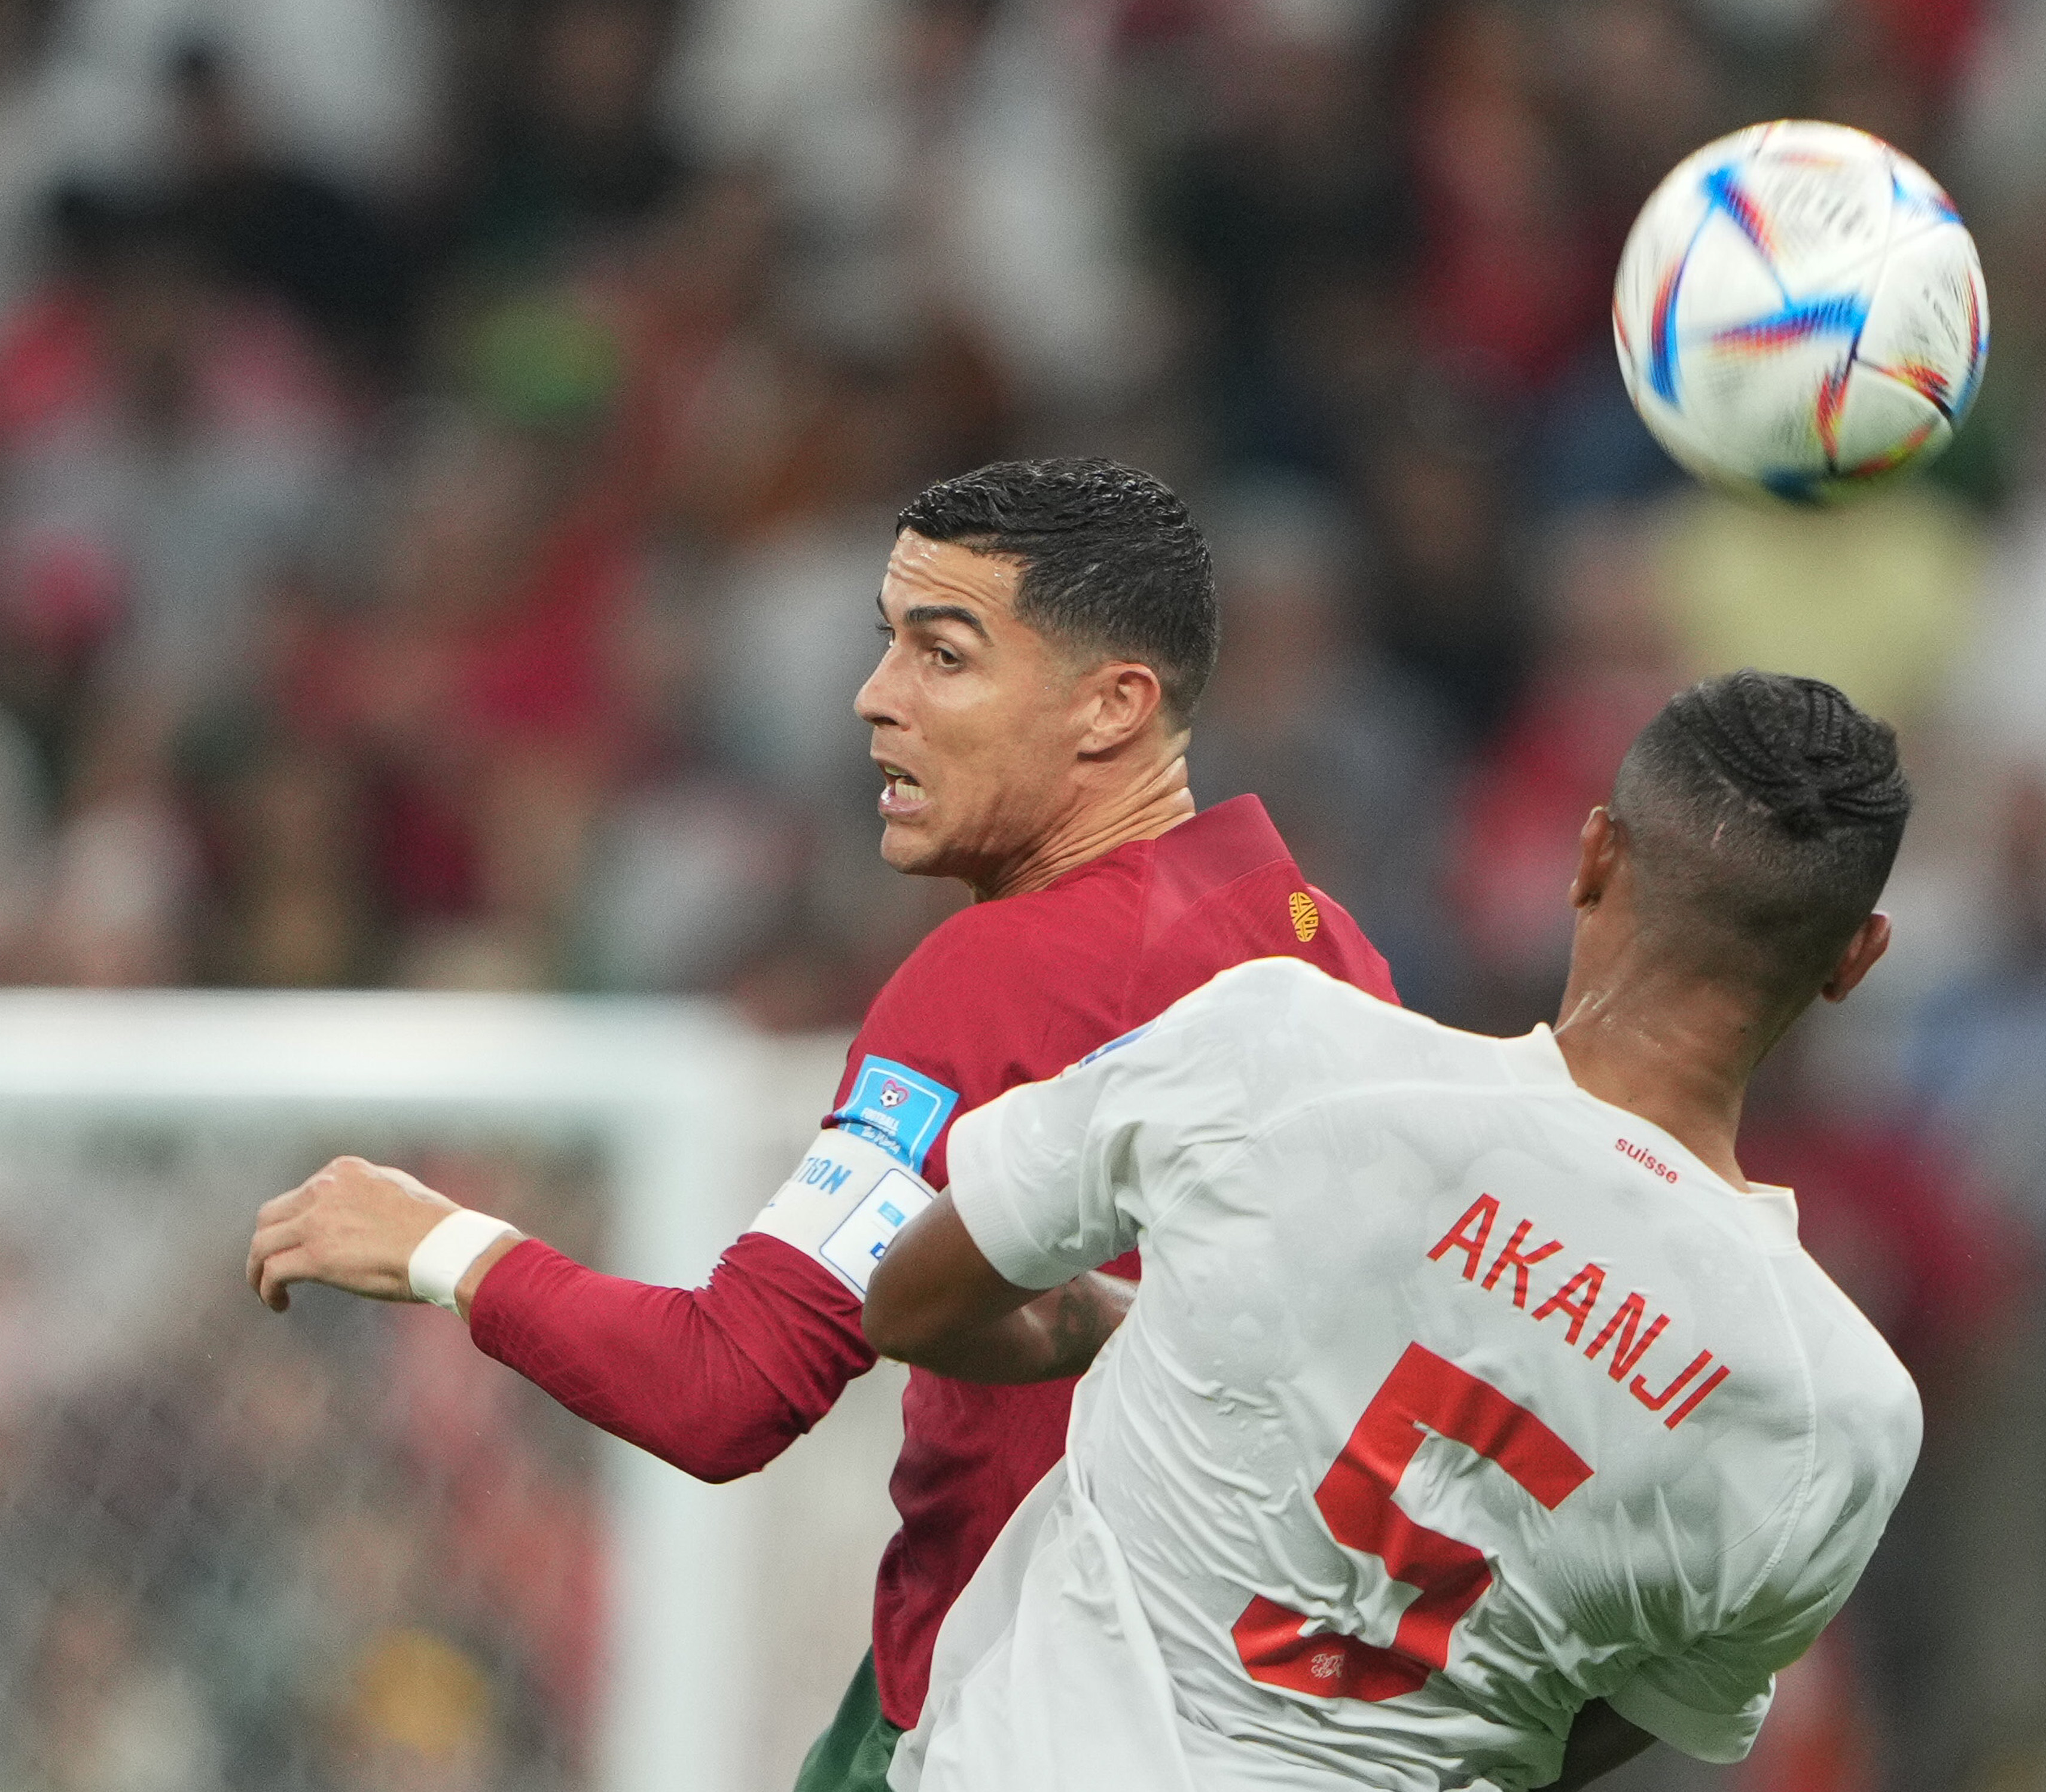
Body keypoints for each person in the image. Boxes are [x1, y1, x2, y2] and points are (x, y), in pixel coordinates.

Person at [242, 457, 1399, 1791]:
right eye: (886, 643)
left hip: (1007, 1721)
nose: (875, 697)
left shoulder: (1000, 980)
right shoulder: (1327, 947)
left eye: (943, 655)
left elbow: (722, 1388)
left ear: (1112, 707)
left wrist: (441, 1245)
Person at [861, 671, 1924, 1790]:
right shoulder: (1839, 1409)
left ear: (1595, 856)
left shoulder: (1284, 1044)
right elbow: (1623, 1721)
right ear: (1856, 956)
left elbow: (909, 1300)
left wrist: (1099, 1320)